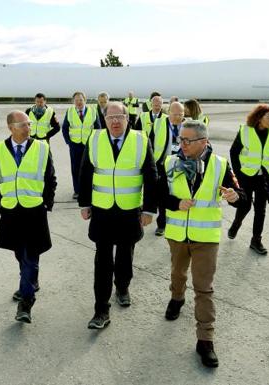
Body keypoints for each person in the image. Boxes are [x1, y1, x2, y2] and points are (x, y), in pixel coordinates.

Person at [159, 120, 245, 368]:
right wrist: (175, 204)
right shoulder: (170, 162)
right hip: (177, 235)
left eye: (188, 140)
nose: (182, 144)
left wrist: (234, 196)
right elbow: (157, 194)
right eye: (180, 140)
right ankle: (176, 298)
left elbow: (241, 196)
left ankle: (205, 340)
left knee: (203, 287)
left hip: (205, 239)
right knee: (177, 273)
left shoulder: (220, 165)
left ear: (204, 142)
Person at [78, 102, 157, 330]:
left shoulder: (141, 141)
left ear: (127, 119)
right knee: (102, 259)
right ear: (104, 120)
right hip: (102, 211)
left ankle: (122, 286)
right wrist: (84, 204)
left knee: (125, 254)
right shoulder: (94, 139)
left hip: (129, 210)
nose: (114, 121)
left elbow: (151, 176)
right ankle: (101, 309)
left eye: (119, 117)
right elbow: (85, 173)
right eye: (110, 117)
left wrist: (149, 210)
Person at [0, 110, 57, 323]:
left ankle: (26, 302)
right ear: (11, 127)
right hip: (11, 212)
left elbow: (50, 178)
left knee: (29, 256)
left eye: (29, 124)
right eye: (24, 124)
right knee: (20, 254)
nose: (29, 128)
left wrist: (46, 204)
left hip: (34, 211)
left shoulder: (42, 148)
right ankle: (31, 281)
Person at [227, 105, 269, 255]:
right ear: (259, 118)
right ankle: (236, 224)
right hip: (246, 175)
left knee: (261, 209)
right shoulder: (245, 131)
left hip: (264, 176)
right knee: (245, 206)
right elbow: (234, 152)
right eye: (268, 116)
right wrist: (238, 174)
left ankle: (256, 240)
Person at [149, 101, 185, 236]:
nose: (178, 117)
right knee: (163, 195)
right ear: (168, 113)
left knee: (180, 194)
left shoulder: (188, 125)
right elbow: (150, 143)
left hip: (182, 166)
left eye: (181, 114)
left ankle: (180, 224)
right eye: (175, 114)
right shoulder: (159, 123)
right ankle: (162, 224)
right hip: (163, 165)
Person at [62, 91, 102, 199]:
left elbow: (98, 128)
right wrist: (68, 142)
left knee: (89, 168)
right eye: (76, 100)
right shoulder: (70, 111)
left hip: (88, 145)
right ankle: (77, 191)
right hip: (74, 145)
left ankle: (89, 190)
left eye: (81, 100)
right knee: (75, 168)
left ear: (85, 100)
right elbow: (65, 128)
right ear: (73, 101)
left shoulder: (93, 111)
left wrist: (95, 143)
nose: (78, 102)